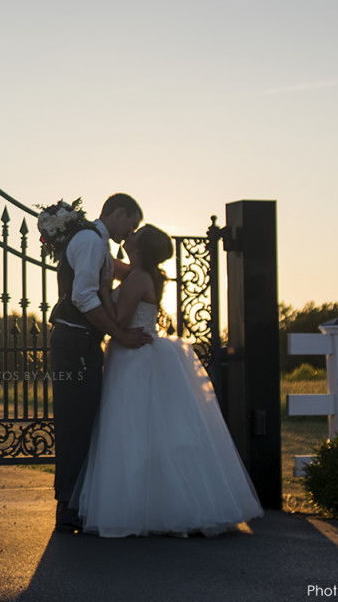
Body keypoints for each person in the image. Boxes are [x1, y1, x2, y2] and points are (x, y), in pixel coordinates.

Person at [72, 224, 264, 537]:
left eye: (135, 233)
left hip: (133, 357)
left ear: (140, 247)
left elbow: (119, 321)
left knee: (132, 429)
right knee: (148, 431)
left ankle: (142, 508)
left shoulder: (137, 279)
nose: (128, 234)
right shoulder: (140, 274)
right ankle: (154, 504)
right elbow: (110, 265)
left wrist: (104, 290)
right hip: (135, 354)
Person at [48, 193, 149, 532]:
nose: (130, 231)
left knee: (84, 417)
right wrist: (119, 335)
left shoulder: (98, 244)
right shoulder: (91, 242)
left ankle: (76, 500)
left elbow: (128, 272)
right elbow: (83, 295)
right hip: (75, 339)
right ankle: (67, 505)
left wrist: (139, 255)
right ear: (120, 213)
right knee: (75, 418)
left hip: (81, 340)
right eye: (131, 224)